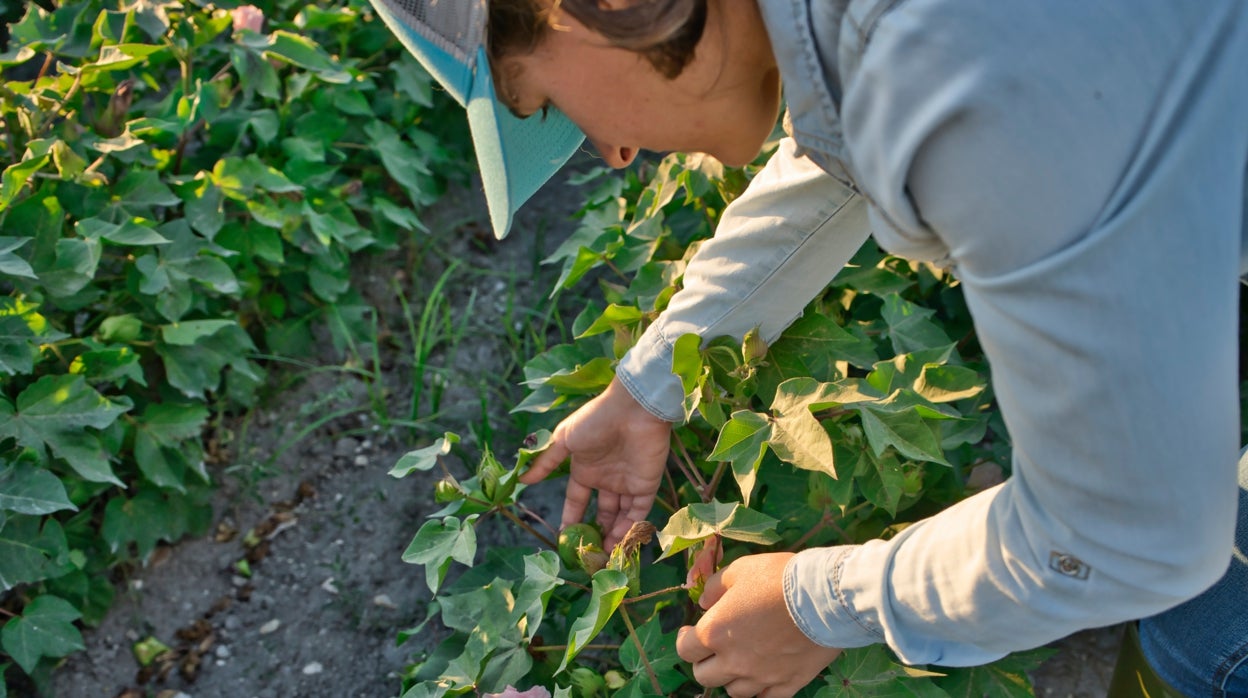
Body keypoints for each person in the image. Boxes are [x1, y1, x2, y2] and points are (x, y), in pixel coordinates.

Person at [367, 0, 1248, 696]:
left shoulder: (961, 66)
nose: (616, 152)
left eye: (550, 106)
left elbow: (1127, 536)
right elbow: (846, 148)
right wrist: (649, 384)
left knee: (1203, 636)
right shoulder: (883, 35)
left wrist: (817, 604)